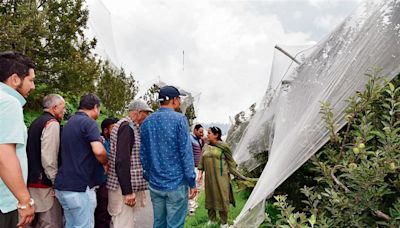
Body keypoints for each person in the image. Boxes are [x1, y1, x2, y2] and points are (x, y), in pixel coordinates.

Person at [140, 85, 197, 228]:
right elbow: (185, 153)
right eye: (179, 99)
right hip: (176, 183)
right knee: (175, 225)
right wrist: (191, 181)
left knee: (159, 223)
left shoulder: (147, 122)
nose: (179, 102)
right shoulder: (179, 120)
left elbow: (143, 154)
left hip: (155, 184)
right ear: (174, 100)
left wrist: (149, 175)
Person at [54, 93, 108, 228]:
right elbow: (99, 151)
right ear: (95, 107)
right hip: (80, 188)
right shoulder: (89, 123)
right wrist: (105, 162)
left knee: (71, 225)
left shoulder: (69, 123)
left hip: (63, 187)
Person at [0, 51, 36, 227]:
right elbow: (4, 155)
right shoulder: (8, 102)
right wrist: (25, 200)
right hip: (4, 204)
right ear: (15, 79)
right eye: (31, 80)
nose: (33, 86)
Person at [107, 100, 154, 228]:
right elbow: (122, 160)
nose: (147, 117)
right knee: (123, 222)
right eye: (146, 113)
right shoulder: (127, 128)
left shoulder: (129, 126)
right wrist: (127, 191)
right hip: (122, 187)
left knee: (126, 221)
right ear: (137, 113)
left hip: (122, 185)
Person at [26, 94, 65, 228]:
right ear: (54, 108)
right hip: (44, 184)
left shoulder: (36, 122)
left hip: (31, 180)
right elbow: (49, 159)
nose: (64, 111)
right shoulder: (51, 124)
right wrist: (55, 182)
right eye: (62, 108)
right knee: (50, 223)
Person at [198, 126, 248, 228]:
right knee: (210, 196)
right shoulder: (206, 146)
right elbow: (201, 161)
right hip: (209, 179)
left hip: (221, 178)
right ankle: (211, 219)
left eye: (209, 133)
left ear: (216, 135)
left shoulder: (224, 147)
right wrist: (200, 174)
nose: (207, 135)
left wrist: (239, 175)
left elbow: (231, 163)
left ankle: (223, 222)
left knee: (222, 197)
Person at [95, 117, 119, 228]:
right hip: (102, 181)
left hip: (110, 182)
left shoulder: (113, 141)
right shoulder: (102, 142)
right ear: (105, 130)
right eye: (114, 128)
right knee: (102, 211)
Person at [188, 124, 205, 215]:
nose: (202, 134)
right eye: (200, 132)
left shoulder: (200, 140)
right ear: (195, 130)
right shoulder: (189, 139)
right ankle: (191, 208)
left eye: (203, 132)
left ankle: (195, 205)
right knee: (193, 187)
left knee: (199, 188)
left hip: (200, 168)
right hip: (193, 167)